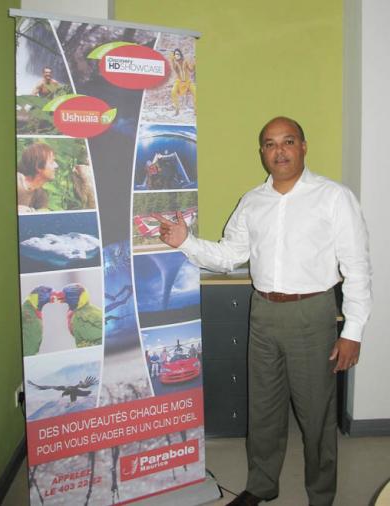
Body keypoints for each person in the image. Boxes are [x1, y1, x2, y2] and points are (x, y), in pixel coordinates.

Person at [156, 117, 372, 506]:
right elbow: (229, 255)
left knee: (317, 415)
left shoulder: (334, 197)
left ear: (303, 146)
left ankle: (321, 495)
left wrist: (352, 331)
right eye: (270, 144)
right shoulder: (253, 201)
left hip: (312, 313)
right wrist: (186, 241)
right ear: (262, 152)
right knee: (263, 407)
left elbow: (357, 267)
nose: (279, 151)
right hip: (263, 313)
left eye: (288, 141)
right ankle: (261, 484)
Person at [17, 142, 58, 213]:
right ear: (38, 166)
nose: (56, 165)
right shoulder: (17, 182)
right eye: (52, 162)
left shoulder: (40, 195)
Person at [170, 48, 196, 116]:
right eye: (175, 54)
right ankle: (177, 110)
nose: (177, 55)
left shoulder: (185, 61)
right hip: (179, 82)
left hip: (188, 82)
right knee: (173, 92)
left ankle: (196, 111)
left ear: (180, 54)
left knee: (195, 93)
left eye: (178, 54)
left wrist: (194, 63)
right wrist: (172, 59)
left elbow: (191, 70)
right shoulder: (175, 63)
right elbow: (174, 69)